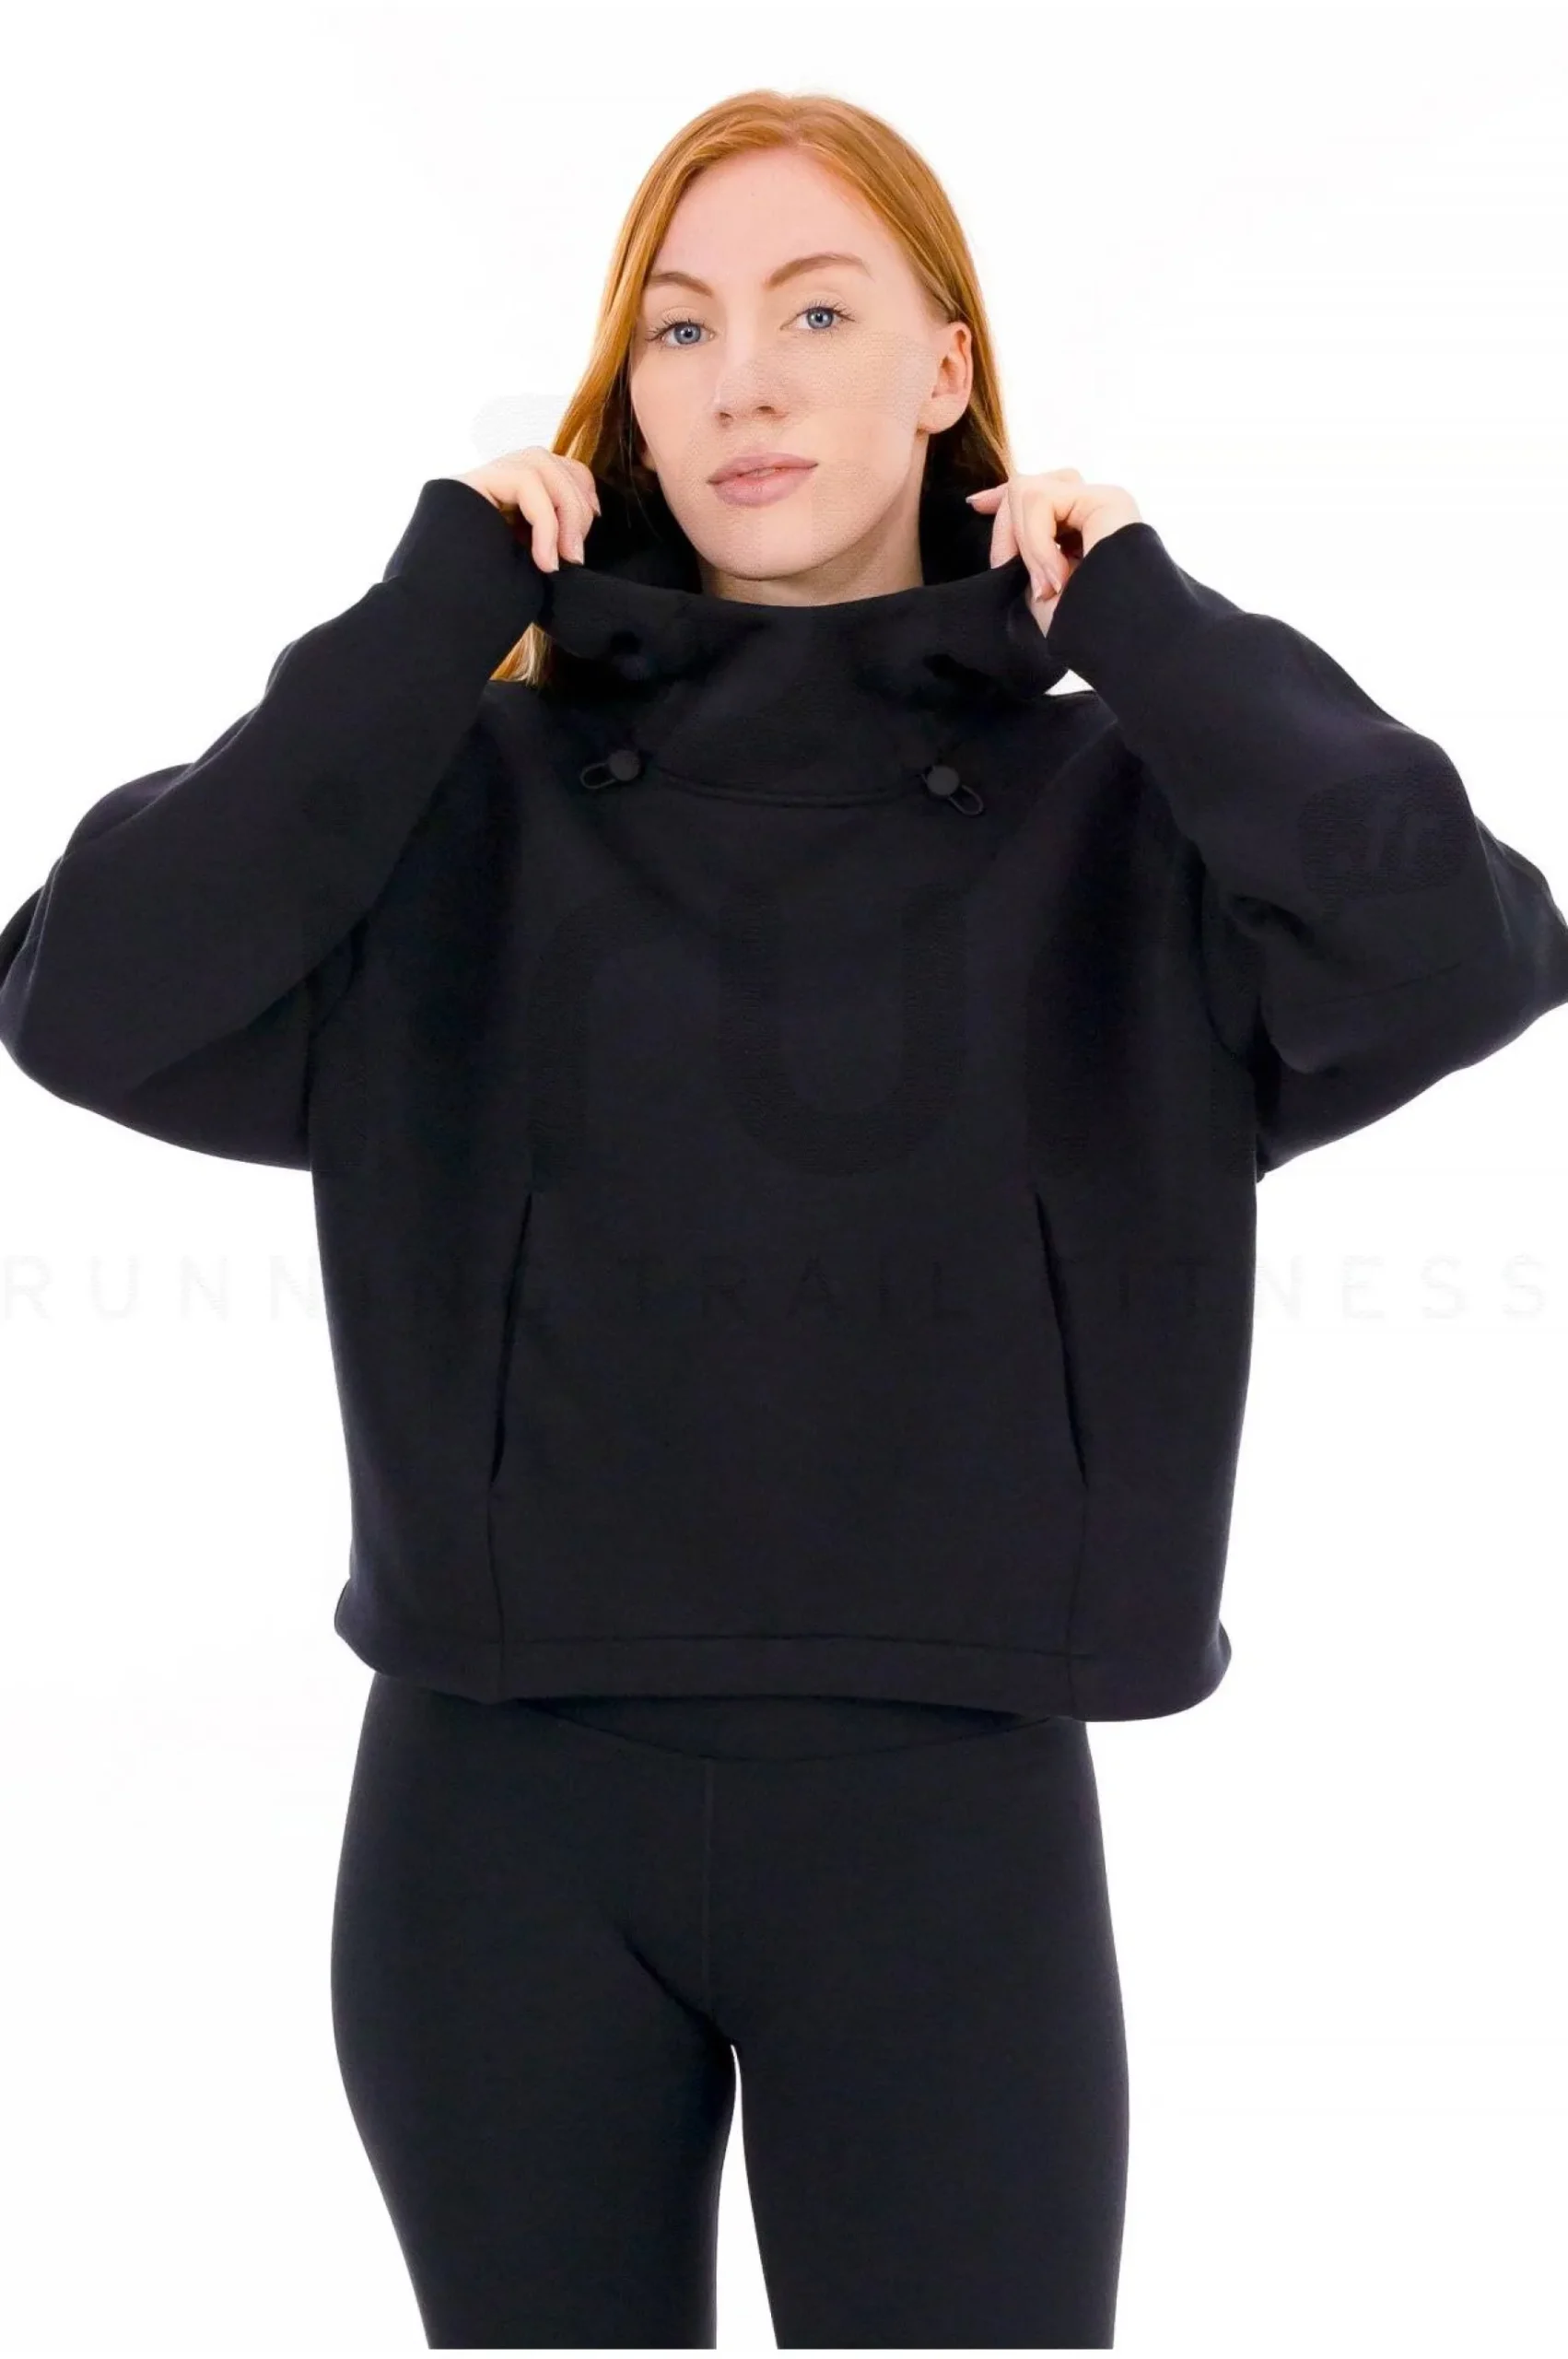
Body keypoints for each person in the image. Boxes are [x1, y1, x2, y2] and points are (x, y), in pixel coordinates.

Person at [5, 88, 1566, 2352]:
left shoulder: (1120, 822)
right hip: (497, 1821)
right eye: (678, 328)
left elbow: (1461, 947)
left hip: (945, 1830)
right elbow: (89, 998)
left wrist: (1147, 615)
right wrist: (433, 612)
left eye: (815, 312)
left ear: (944, 371)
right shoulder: (457, 801)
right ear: (625, 399)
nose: (739, 378)